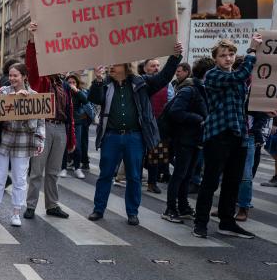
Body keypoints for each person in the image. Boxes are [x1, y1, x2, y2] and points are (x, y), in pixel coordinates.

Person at [88, 41, 183, 225]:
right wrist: (98, 80)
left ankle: (132, 212)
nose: (110, 67)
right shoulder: (105, 84)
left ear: (125, 65)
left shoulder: (142, 83)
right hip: (112, 136)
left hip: (134, 136)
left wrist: (175, 56)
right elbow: (94, 98)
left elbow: (163, 77)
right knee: (106, 174)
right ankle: (98, 209)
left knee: (134, 176)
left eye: (113, 64)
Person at [191, 36, 261, 239]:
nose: (228, 58)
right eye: (223, 55)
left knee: (232, 182)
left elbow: (241, 103)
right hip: (218, 134)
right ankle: (200, 223)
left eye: (231, 54)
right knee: (211, 181)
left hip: (238, 133)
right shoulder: (213, 75)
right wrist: (251, 51)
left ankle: (227, 222)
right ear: (215, 59)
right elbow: (239, 77)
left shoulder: (237, 76)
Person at [23, 23, 86, 220]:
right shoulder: (41, 80)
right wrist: (33, 40)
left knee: (53, 171)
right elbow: (31, 65)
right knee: (36, 171)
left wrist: (71, 137)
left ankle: (52, 205)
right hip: (44, 127)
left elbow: (70, 111)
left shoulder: (64, 85)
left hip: (60, 129)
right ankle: (31, 206)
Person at [0, 63, 45, 227]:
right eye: (10, 75)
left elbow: (41, 120)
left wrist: (40, 140)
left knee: (20, 179)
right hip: (4, 140)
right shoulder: (3, 91)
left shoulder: (34, 95)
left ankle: (16, 213)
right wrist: (14, 98)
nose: (12, 78)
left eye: (15, 76)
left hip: (24, 141)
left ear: (24, 76)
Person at [161, 57, 211, 222]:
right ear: (207, 73)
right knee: (179, 174)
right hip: (184, 139)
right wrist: (198, 118)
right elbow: (175, 112)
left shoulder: (203, 88)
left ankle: (183, 207)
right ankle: (170, 209)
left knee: (187, 175)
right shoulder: (190, 89)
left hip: (196, 139)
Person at [143, 57, 174, 193]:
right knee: (138, 153)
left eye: (158, 66)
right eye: (152, 66)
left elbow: (171, 102)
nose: (156, 68)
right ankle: (135, 178)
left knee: (156, 155)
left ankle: (152, 182)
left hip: (159, 125)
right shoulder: (140, 82)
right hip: (141, 123)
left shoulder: (168, 85)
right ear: (145, 69)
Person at [65, 73, 93, 177]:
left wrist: (77, 92)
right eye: (69, 82)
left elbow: (85, 100)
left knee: (77, 146)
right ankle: (63, 167)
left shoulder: (79, 93)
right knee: (65, 145)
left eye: (73, 82)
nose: (71, 84)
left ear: (77, 84)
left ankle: (77, 167)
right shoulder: (64, 92)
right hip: (65, 122)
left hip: (77, 122)